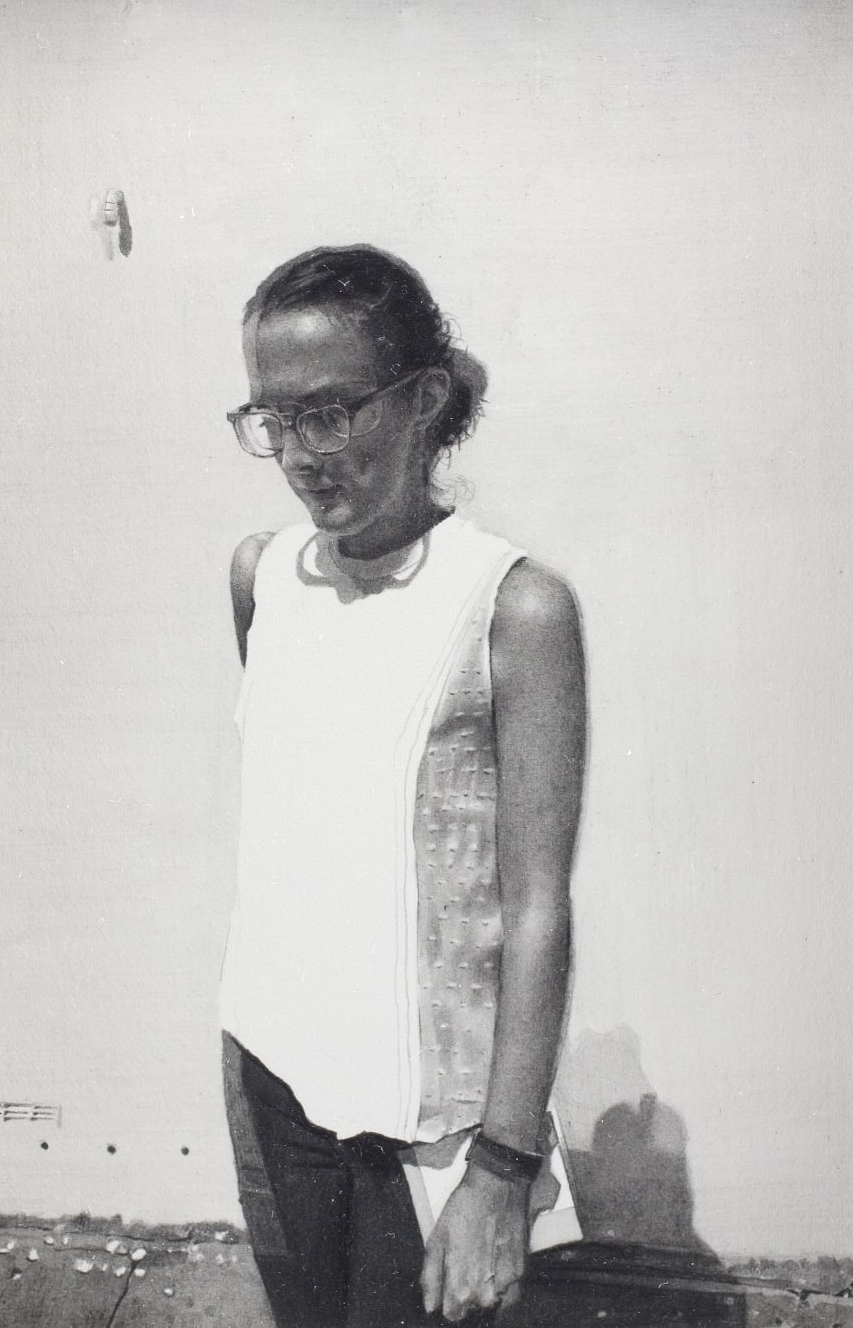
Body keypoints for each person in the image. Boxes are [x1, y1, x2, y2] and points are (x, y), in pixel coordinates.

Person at [218, 245, 586, 1328]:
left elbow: (534, 907)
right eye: (272, 419)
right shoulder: (261, 576)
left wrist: (503, 1170)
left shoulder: (512, 608)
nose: (298, 453)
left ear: (424, 399)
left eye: (328, 412)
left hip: (424, 1127)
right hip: (269, 1068)